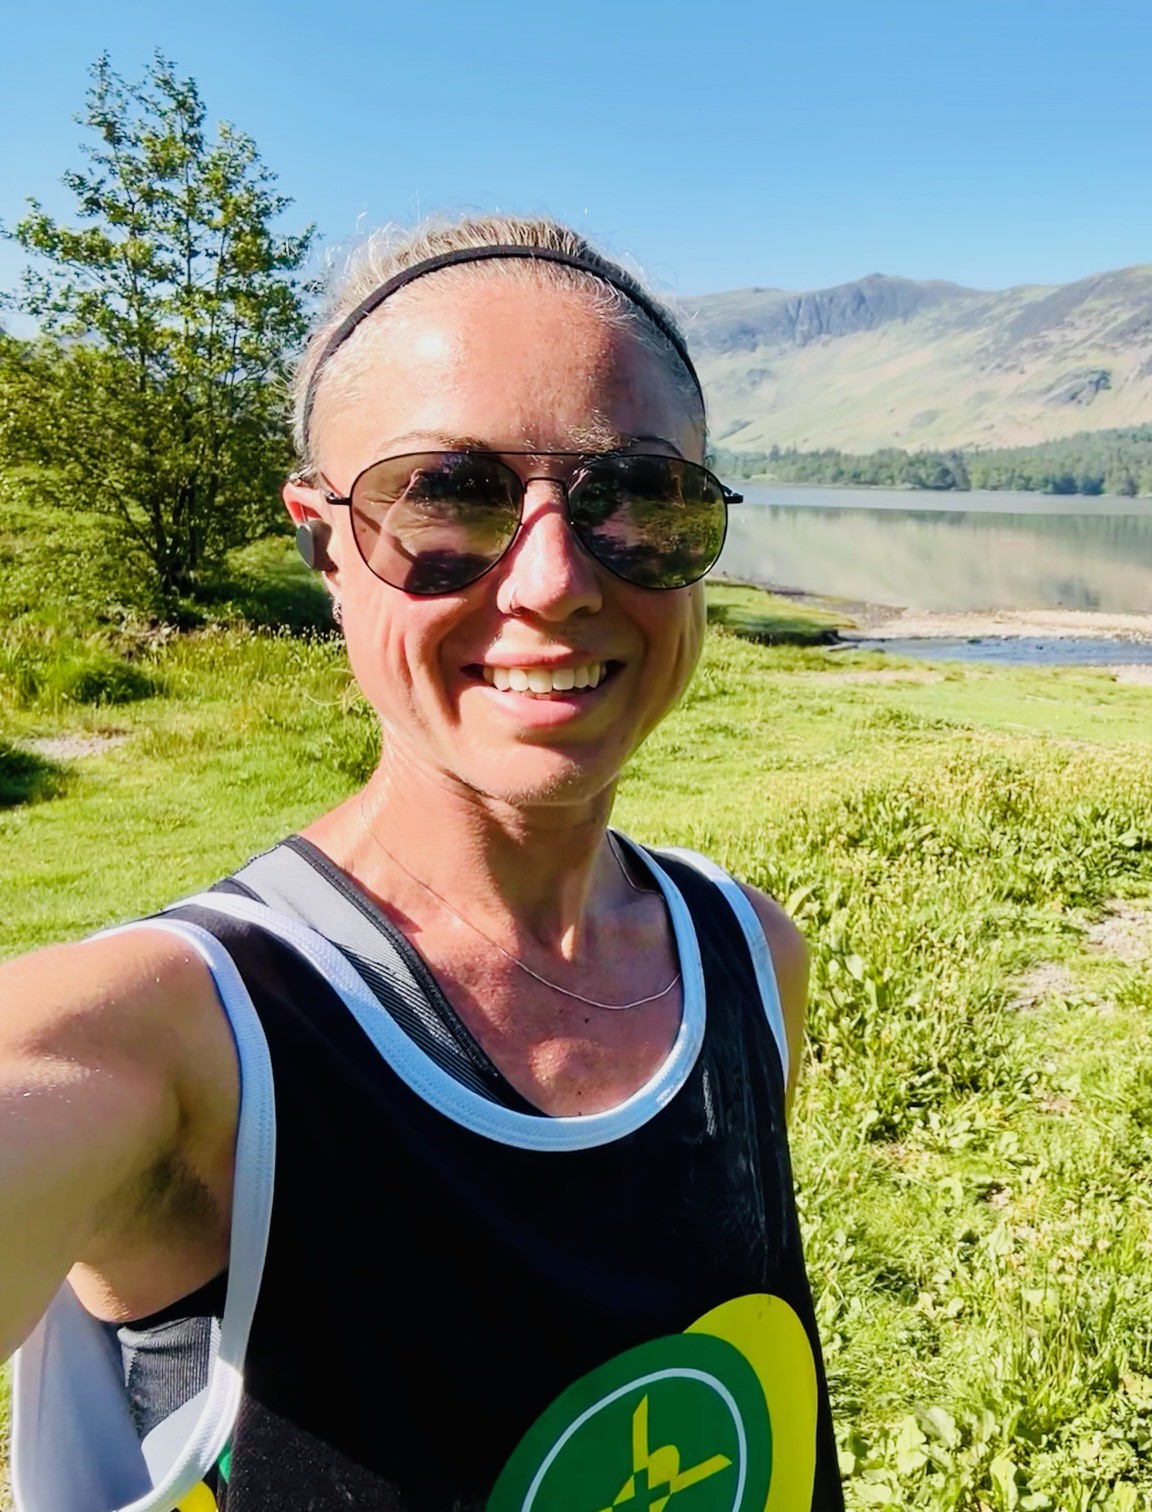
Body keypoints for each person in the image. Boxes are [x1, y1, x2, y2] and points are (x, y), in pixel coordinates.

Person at [0, 215, 845, 1510]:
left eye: (638, 495)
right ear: (325, 538)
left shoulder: (747, 958)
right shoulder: (170, 1048)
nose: (555, 580)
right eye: (447, 496)